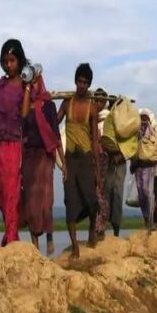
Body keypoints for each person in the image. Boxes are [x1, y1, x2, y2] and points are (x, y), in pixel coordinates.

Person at [57, 63, 99, 258]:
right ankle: (74, 245)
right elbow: (54, 122)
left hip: (86, 157)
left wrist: (97, 168)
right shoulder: (67, 103)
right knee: (70, 202)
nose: (82, 85)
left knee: (91, 200)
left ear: (89, 84)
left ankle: (92, 230)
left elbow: (95, 139)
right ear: (75, 82)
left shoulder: (93, 107)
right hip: (70, 160)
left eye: (85, 82)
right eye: (79, 81)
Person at [21, 71, 63, 254]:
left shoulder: (48, 106)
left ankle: (50, 238)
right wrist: (27, 90)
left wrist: (63, 161)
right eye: (32, 83)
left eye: (36, 81)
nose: (34, 85)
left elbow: (55, 133)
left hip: (45, 156)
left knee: (46, 199)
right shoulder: (25, 105)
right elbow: (22, 120)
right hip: (29, 155)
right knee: (31, 201)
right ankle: (34, 244)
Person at [0, 39, 28, 245]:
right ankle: (9, 230)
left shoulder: (23, 86)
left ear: (19, 61)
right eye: (5, 61)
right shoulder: (0, 84)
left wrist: (29, 89)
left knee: (13, 189)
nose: (9, 65)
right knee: (2, 191)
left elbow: (23, 113)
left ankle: (12, 235)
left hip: (15, 143)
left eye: (12, 60)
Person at [94, 89, 127, 238]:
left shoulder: (120, 122)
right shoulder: (102, 119)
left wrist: (120, 154)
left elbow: (128, 143)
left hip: (118, 162)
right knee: (103, 194)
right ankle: (101, 229)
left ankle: (115, 230)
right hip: (103, 161)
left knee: (117, 195)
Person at [130, 109, 157, 232]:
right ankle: (146, 221)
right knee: (141, 195)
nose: (143, 120)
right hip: (139, 167)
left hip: (149, 168)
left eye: (145, 118)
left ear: (149, 120)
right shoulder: (136, 133)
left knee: (148, 193)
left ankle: (151, 222)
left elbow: (156, 149)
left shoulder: (152, 134)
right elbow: (132, 148)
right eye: (142, 118)